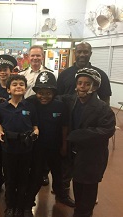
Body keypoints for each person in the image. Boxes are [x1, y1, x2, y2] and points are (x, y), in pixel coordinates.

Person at [63, 68, 115, 217]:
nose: (82, 87)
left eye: (87, 84)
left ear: (95, 87)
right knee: (78, 188)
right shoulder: (73, 100)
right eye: (79, 83)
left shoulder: (102, 108)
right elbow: (56, 97)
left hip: (92, 158)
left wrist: (77, 135)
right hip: (76, 157)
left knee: (88, 193)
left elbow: (107, 130)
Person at [24, 71, 75, 217]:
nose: (44, 96)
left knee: (58, 175)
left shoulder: (60, 105)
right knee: (35, 176)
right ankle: (28, 203)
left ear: (54, 92)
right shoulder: (31, 102)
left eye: (48, 93)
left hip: (55, 147)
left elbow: (65, 127)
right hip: (37, 148)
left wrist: (64, 146)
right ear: (36, 92)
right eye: (40, 92)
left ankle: (62, 196)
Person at [0, 74, 39, 217]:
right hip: (8, 148)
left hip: (25, 148)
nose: (18, 86)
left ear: (25, 88)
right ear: (8, 89)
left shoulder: (30, 107)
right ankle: (10, 206)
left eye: (21, 84)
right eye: (14, 84)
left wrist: (36, 131)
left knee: (23, 178)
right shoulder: (2, 107)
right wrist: (0, 131)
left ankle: (20, 206)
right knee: (9, 179)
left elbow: (35, 124)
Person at [19, 45, 53, 186]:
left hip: (43, 111)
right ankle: (26, 169)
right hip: (26, 112)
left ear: (42, 57)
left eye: (38, 55)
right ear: (28, 57)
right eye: (32, 55)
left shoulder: (50, 74)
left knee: (43, 142)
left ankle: (43, 173)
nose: (35, 58)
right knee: (27, 141)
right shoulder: (22, 75)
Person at [0, 54, 17, 194]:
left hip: (11, 127)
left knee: (9, 160)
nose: (3, 72)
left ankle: (10, 184)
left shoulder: (15, 86)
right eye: (0, 69)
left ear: (11, 71)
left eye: (6, 69)